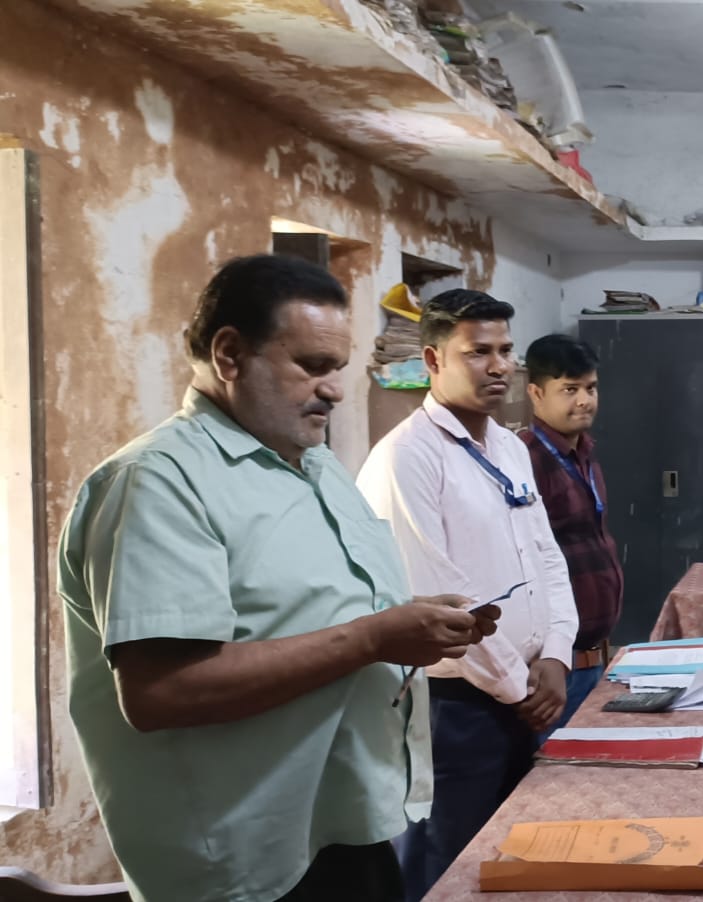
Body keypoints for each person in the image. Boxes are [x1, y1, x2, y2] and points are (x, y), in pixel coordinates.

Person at [57, 255, 497, 902]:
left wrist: (412, 621)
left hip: (345, 820)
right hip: (246, 862)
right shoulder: (158, 483)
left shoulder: (313, 468)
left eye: (338, 367)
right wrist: (375, 637)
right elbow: (162, 691)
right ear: (230, 355)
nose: (334, 390)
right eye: (313, 366)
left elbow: (307, 614)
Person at [356, 289, 580, 902]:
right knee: (449, 863)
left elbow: (547, 557)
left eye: (505, 350)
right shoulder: (407, 457)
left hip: (526, 693)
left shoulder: (508, 447)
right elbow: (438, 597)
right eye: (478, 352)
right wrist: (518, 685)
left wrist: (556, 654)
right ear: (433, 359)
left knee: (515, 863)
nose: (499, 366)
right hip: (454, 705)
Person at [520, 334, 623, 730]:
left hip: (593, 657)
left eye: (590, 388)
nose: (584, 400)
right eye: (569, 389)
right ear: (536, 393)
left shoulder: (584, 455)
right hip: (554, 669)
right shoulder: (525, 460)